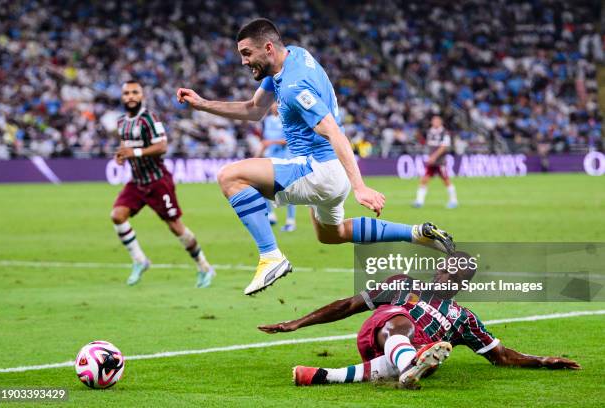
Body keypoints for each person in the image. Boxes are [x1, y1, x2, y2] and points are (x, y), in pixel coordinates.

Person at [177, 18, 455, 296]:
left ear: (269, 48)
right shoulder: (295, 56)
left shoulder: (294, 87)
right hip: (331, 175)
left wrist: (360, 187)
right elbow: (253, 109)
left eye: (247, 53)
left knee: (230, 176)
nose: (243, 62)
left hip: (318, 169)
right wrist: (202, 104)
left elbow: (334, 132)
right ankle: (416, 233)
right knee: (332, 234)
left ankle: (270, 256)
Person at [259, 253, 580, 389]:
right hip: (381, 332)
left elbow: (501, 355)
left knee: (435, 356)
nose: (446, 274)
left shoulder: (464, 319)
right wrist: (297, 323)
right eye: (445, 268)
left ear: (463, 284)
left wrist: (542, 360)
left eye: (456, 274)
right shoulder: (404, 284)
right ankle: (411, 362)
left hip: (398, 355)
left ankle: (322, 376)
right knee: (401, 322)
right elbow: (348, 305)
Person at [111, 79, 215, 287]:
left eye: (135, 92)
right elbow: (126, 145)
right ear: (122, 97)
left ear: (141, 96)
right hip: (137, 182)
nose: (130, 97)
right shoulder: (121, 121)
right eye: (127, 93)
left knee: (176, 227)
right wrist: (122, 154)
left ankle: (204, 267)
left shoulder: (149, 118)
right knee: (117, 215)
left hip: (158, 182)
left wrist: (135, 152)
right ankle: (140, 260)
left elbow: (162, 146)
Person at [259, 103, 296, 232]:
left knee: (287, 189)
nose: (274, 107)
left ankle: (290, 221)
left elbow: (289, 140)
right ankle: (271, 215)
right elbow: (264, 139)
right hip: (270, 157)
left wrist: (271, 142)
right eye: (273, 104)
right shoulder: (267, 121)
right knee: (263, 185)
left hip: (284, 158)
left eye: (277, 104)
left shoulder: (287, 120)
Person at [413, 115, 458, 209]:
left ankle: (454, 201)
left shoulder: (444, 133)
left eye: (436, 121)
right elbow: (427, 143)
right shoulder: (430, 131)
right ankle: (419, 201)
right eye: (433, 121)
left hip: (440, 161)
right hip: (431, 162)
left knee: (446, 180)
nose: (434, 122)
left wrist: (433, 156)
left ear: (440, 122)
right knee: (424, 179)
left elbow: (444, 147)